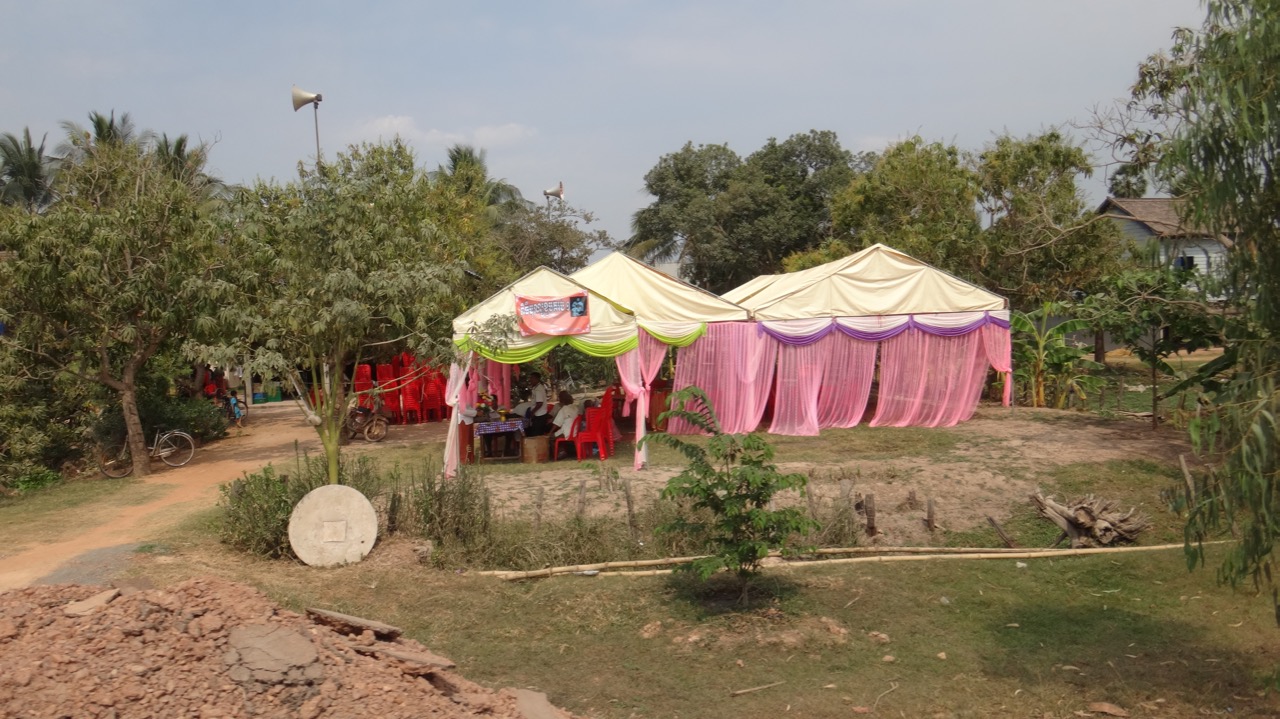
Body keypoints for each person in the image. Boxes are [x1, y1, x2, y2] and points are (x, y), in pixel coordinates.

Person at [549, 390, 580, 459]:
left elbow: (556, 424)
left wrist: (550, 433)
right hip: (575, 432)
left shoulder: (564, 409)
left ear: (561, 400)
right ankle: (563, 450)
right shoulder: (575, 407)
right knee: (557, 434)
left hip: (567, 432)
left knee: (550, 438)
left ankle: (560, 452)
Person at [528, 372, 551, 436]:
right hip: (539, 414)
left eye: (532, 378)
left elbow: (540, 403)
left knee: (537, 434)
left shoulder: (538, 389)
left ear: (537, 379)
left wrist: (532, 412)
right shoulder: (536, 388)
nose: (530, 380)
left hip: (540, 415)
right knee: (537, 433)